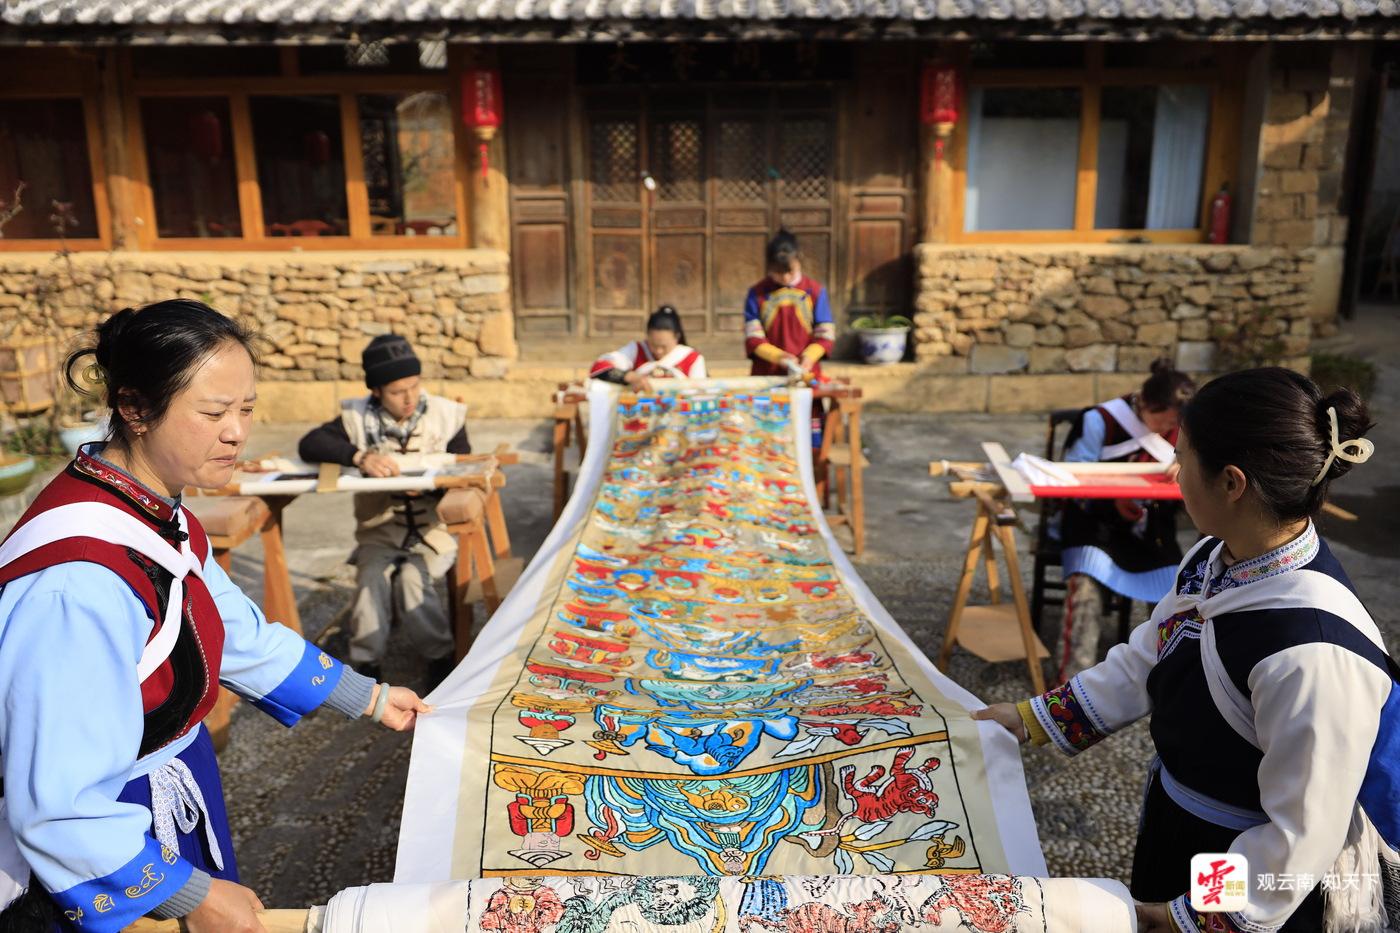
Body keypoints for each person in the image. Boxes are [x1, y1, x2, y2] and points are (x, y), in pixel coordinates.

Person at [0, 300, 430, 933]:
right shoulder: (76, 584)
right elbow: (59, 802)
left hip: (171, 787)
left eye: (246, 409)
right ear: (134, 408)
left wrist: (369, 697)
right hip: (108, 838)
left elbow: (226, 627)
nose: (236, 433)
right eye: (213, 413)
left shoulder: (151, 509)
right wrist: (188, 894)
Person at [975, 367, 1395, 933]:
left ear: (1231, 483)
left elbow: (1298, 838)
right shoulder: (1215, 559)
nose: (1174, 475)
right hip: (1179, 821)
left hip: (1236, 855)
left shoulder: (1313, 652)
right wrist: (1033, 718)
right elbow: (1152, 650)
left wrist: (1186, 916)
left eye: (1182, 458)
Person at [297, 334, 470, 685]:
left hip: (432, 533)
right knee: (370, 581)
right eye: (396, 391)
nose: (409, 398)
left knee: (412, 581)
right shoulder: (356, 418)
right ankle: (367, 667)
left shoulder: (446, 415)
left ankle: (440, 658)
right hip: (379, 534)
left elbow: (465, 472)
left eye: (414, 386)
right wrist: (360, 457)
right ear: (376, 391)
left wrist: (432, 489)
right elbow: (310, 444)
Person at [1053, 359, 1197, 681]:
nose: (1167, 428)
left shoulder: (1184, 431)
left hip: (1150, 530)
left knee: (1176, 594)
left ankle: (1168, 678)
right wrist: (1113, 500)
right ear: (1144, 402)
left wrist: (1188, 468)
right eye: (1163, 420)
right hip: (1094, 525)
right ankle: (1071, 681)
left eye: (1174, 423)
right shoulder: (1100, 420)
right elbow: (1071, 480)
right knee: (1086, 588)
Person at [742, 229, 835, 380]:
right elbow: (753, 338)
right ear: (769, 267)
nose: (785, 278)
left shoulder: (815, 291)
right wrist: (779, 357)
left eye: (790, 271)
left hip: (806, 372)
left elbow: (825, 335)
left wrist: (809, 357)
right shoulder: (757, 293)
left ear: (799, 261)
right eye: (778, 272)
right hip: (768, 373)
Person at [589, 306, 706, 392]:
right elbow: (599, 367)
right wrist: (630, 377)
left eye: (664, 347)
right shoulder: (636, 350)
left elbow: (701, 393)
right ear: (647, 336)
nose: (659, 351)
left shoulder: (691, 358)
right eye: (654, 345)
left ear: (677, 338)